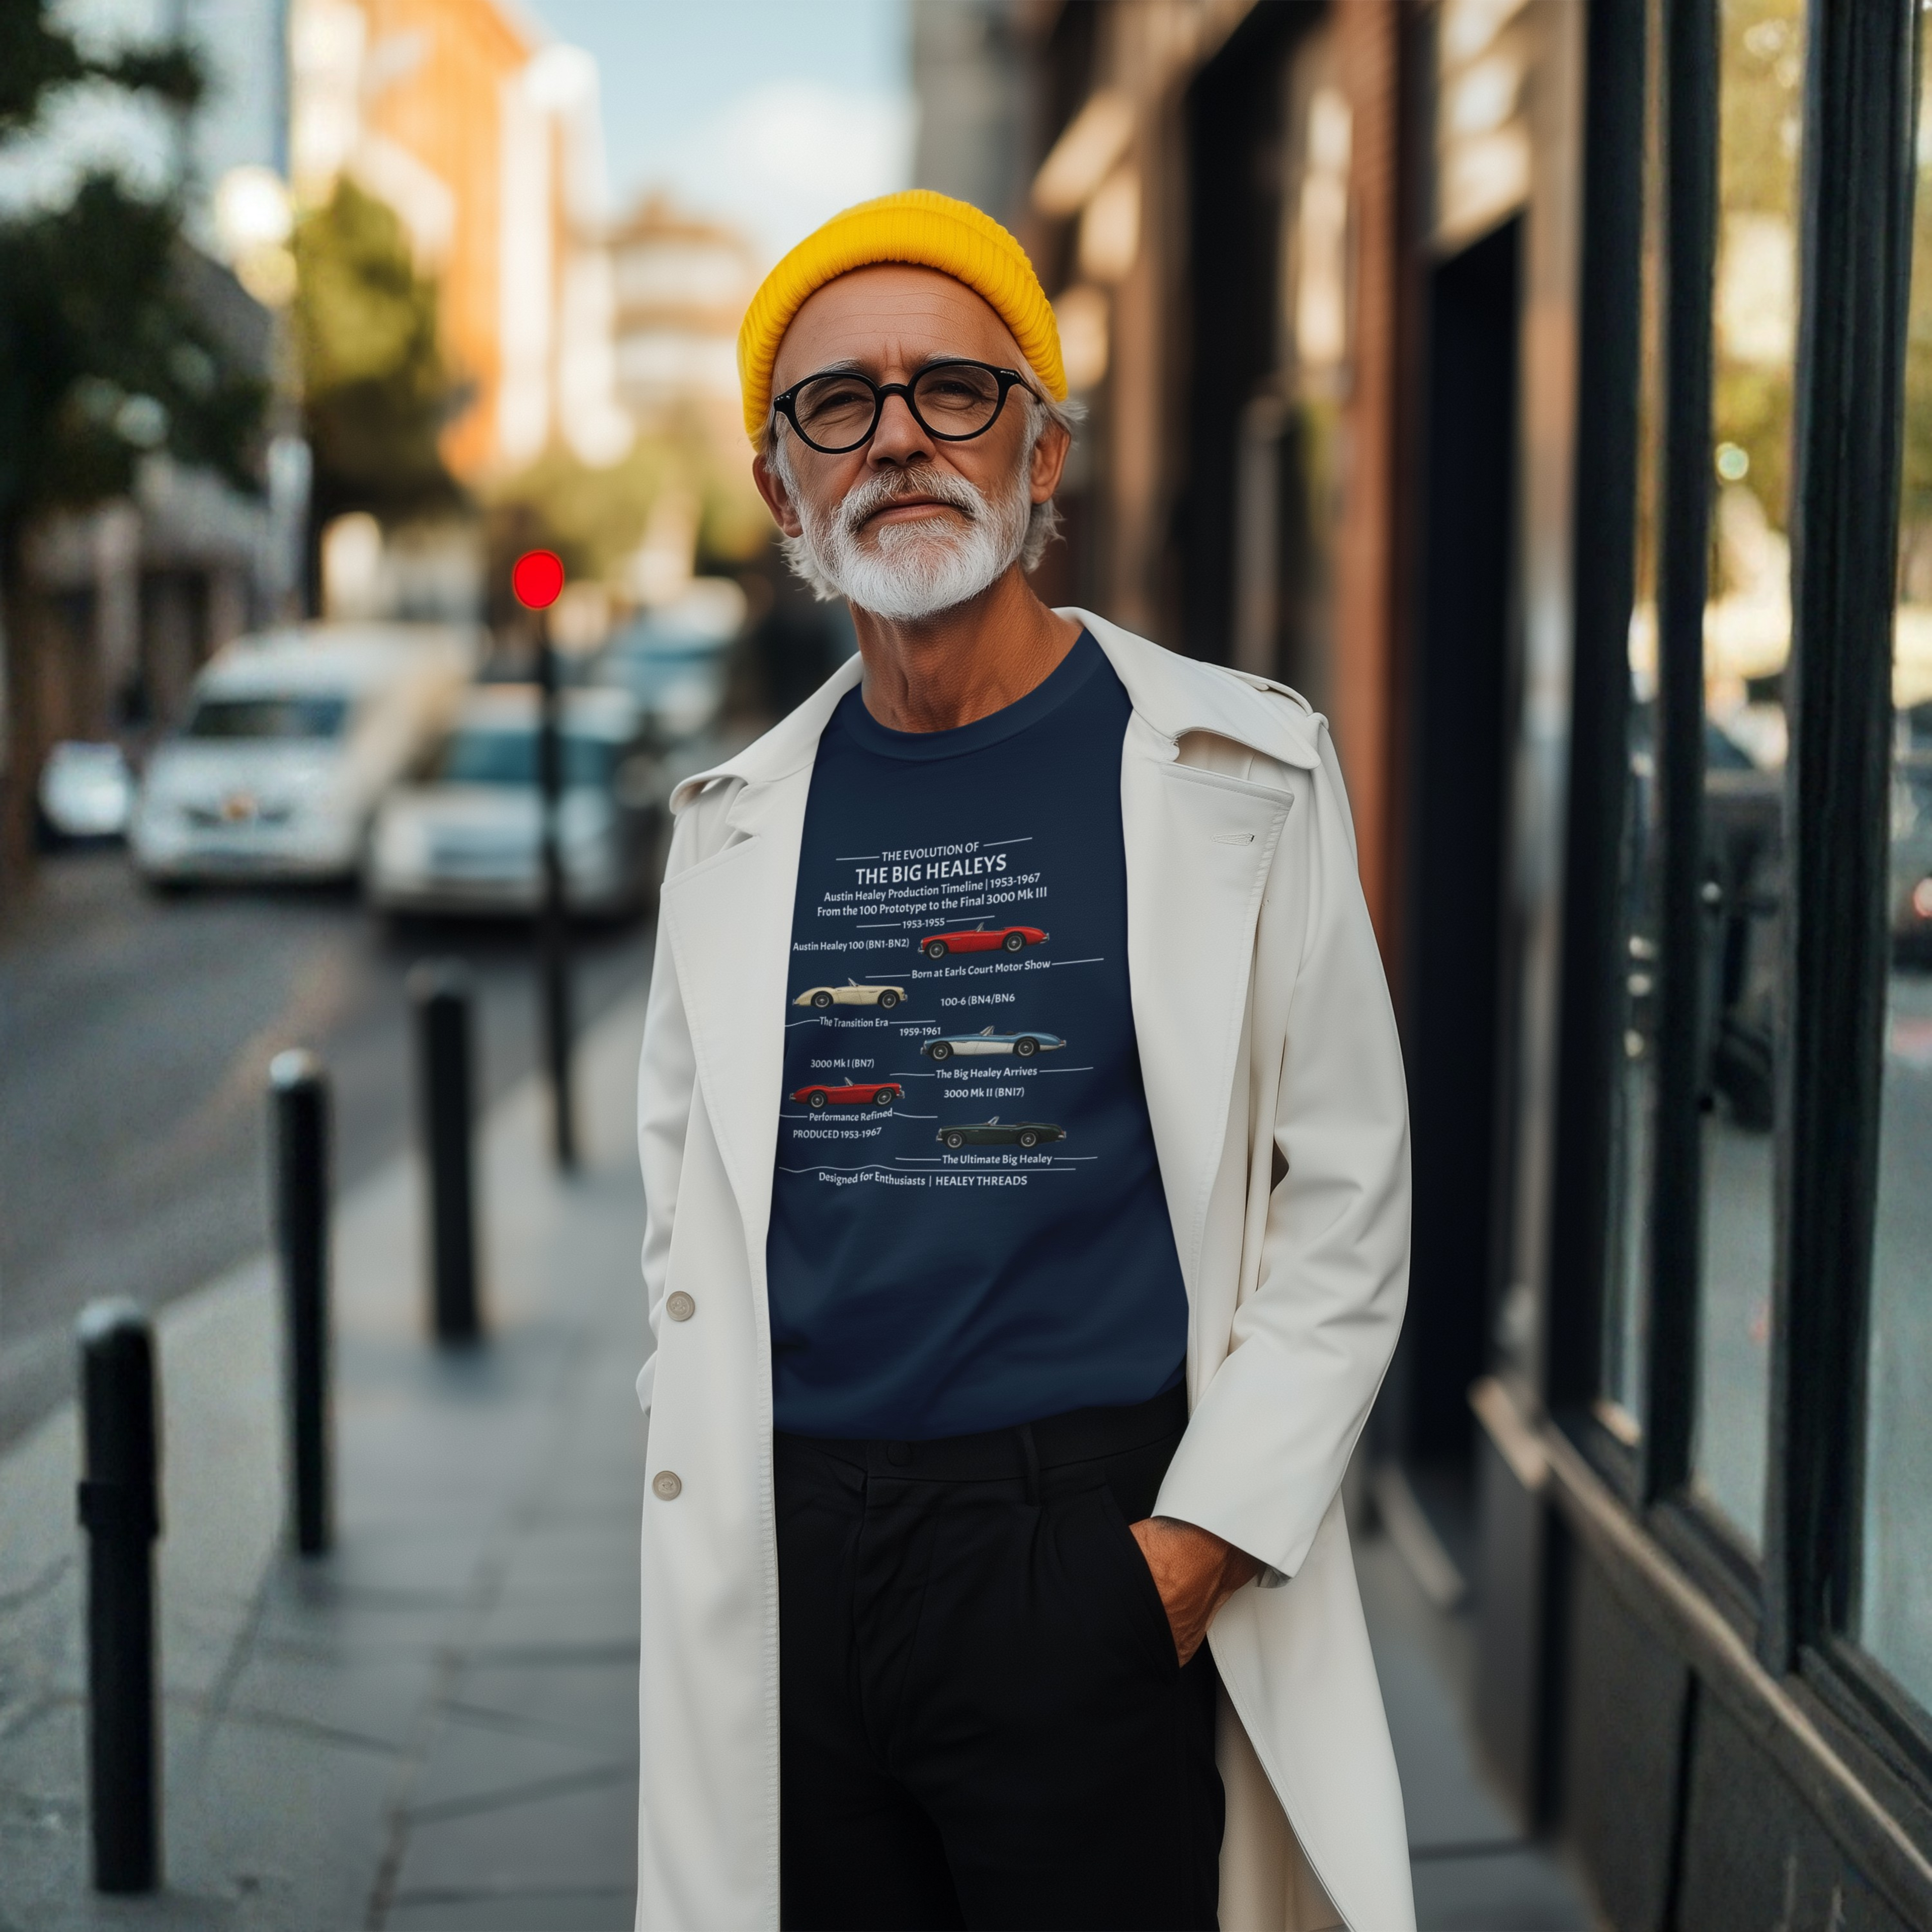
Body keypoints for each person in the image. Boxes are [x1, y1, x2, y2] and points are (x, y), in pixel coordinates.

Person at [634, 189, 1413, 1932]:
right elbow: (684, 1213)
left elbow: (1348, 1205)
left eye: (957, 391)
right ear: (783, 491)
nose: (899, 437)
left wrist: (1182, 1563)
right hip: (792, 1561)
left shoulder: (1236, 768)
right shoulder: (734, 824)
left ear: (1042, 454)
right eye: (838, 403)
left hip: (1084, 1540)